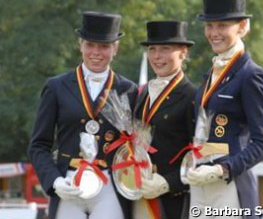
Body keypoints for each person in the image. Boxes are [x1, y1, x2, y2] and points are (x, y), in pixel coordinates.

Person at [28, 11, 137, 219]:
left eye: (104, 46)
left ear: (115, 48)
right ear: (80, 45)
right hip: (69, 182)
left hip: (109, 184)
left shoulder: (128, 90)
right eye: (90, 45)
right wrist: (55, 181)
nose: (96, 52)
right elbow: (38, 145)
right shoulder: (56, 87)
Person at [185, 0, 263, 219]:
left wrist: (222, 169)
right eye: (210, 25)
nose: (214, 33)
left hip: (228, 183)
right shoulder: (211, 73)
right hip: (199, 181)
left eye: (222, 25)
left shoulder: (250, 74)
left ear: (242, 26)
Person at [133, 21, 197, 219]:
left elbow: (200, 155)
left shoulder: (192, 96)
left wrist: (169, 183)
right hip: (138, 193)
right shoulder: (142, 93)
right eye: (152, 49)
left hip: (173, 201)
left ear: (183, 52)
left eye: (165, 49)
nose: (157, 56)